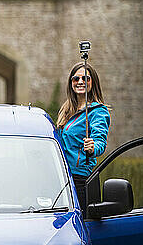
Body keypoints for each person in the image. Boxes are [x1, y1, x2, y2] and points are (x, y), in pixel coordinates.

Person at [56, 62, 110, 216]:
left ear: (93, 82)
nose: (80, 82)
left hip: (81, 180)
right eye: (75, 79)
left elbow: (100, 141)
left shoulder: (98, 112)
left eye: (85, 79)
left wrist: (93, 147)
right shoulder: (66, 109)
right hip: (62, 177)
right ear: (70, 83)